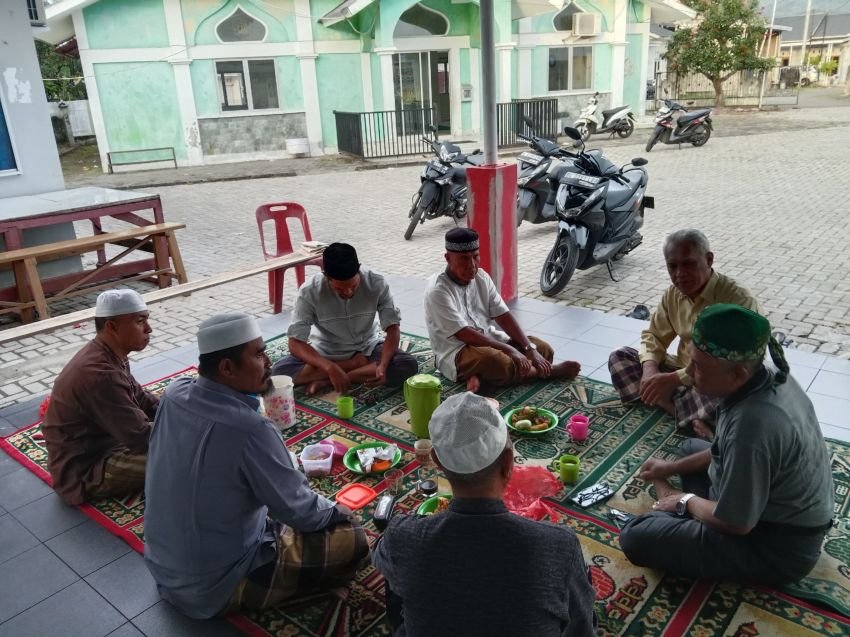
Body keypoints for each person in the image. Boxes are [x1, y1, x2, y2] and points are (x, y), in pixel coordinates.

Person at [144, 313, 369, 619]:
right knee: (351, 536)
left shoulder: (174, 393)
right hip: (215, 585)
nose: (268, 361)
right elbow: (302, 513)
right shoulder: (249, 429)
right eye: (259, 354)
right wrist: (342, 512)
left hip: (165, 569)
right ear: (226, 368)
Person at [619, 304, 834, 586]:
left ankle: (680, 512)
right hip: (767, 508)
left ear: (738, 374)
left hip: (775, 547)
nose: (689, 372)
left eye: (698, 367)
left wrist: (686, 501)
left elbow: (738, 523)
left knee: (635, 536)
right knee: (689, 450)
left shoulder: (752, 425)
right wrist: (669, 468)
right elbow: (721, 450)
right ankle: (685, 514)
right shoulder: (765, 375)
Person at [372, 392, 596, 636]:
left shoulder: (404, 536)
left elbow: (378, 557)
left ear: (436, 460)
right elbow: (582, 629)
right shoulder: (558, 546)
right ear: (509, 462)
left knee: (398, 573)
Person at [608, 229, 759, 438]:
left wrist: (672, 380)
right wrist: (650, 371)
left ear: (709, 260)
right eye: (673, 266)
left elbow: (734, 365)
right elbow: (654, 336)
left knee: (733, 402)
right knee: (620, 357)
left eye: (688, 264)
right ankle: (682, 413)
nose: (680, 274)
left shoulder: (737, 301)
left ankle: (670, 405)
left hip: (713, 381)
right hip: (681, 372)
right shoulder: (673, 294)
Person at [424, 228, 580, 393]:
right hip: (456, 350)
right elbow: (464, 334)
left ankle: (480, 377)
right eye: (463, 258)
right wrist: (510, 350)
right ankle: (550, 372)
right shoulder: (438, 291)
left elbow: (503, 315)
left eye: (475, 256)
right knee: (500, 363)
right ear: (448, 258)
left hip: (488, 339)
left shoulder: (481, 277)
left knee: (542, 349)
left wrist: (528, 348)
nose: (471, 265)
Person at [43, 289, 158, 505]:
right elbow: (142, 437)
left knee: (173, 407)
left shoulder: (112, 353)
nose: (148, 329)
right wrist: (188, 428)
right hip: (88, 469)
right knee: (182, 452)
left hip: (110, 440)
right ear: (111, 327)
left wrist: (178, 411)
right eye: (140, 321)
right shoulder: (99, 374)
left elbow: (140, 398)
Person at [272, 242, 418, 395]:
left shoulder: (376, 283)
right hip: (326, 351)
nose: (348, 292)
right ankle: (355, 366)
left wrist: (382, 365)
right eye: (340, 289)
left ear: (359, 270)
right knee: (279, 373)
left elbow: (393, 328)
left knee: (406, 364)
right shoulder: (310, 291)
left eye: (353, 286)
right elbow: (295, 343)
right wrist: (329, 367)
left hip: (367, 348)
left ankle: (330, 380)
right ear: (326, 276)